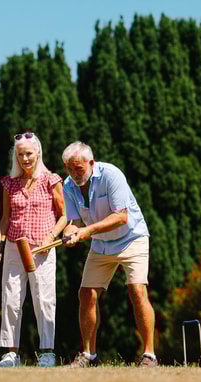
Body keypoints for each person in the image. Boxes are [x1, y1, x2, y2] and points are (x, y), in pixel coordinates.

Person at [61, 141, 157, 367]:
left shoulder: (112, 175)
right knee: (86, 294)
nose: (74, 174)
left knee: (137, 290)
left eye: (79, 169)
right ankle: (88, 355)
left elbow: (121, 216)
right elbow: (74, 221)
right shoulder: (68, 185)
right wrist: (69, 232)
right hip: (101, 244)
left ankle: (149, 355)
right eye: (70, 169)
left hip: (131, 238)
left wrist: (86, 231)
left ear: (91, 163)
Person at [0, 131, 66, 368]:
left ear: (38, 153)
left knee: (44, 300)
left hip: (42, 248)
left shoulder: (51, 180)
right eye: (20, 154)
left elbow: (64, 216)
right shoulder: (9, 183)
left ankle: (47, 352)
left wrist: (51, 236)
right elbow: (5, 218)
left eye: (29, 154)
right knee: (11, 299)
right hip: (14, 246)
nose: (24, 158)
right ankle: (11, 354)